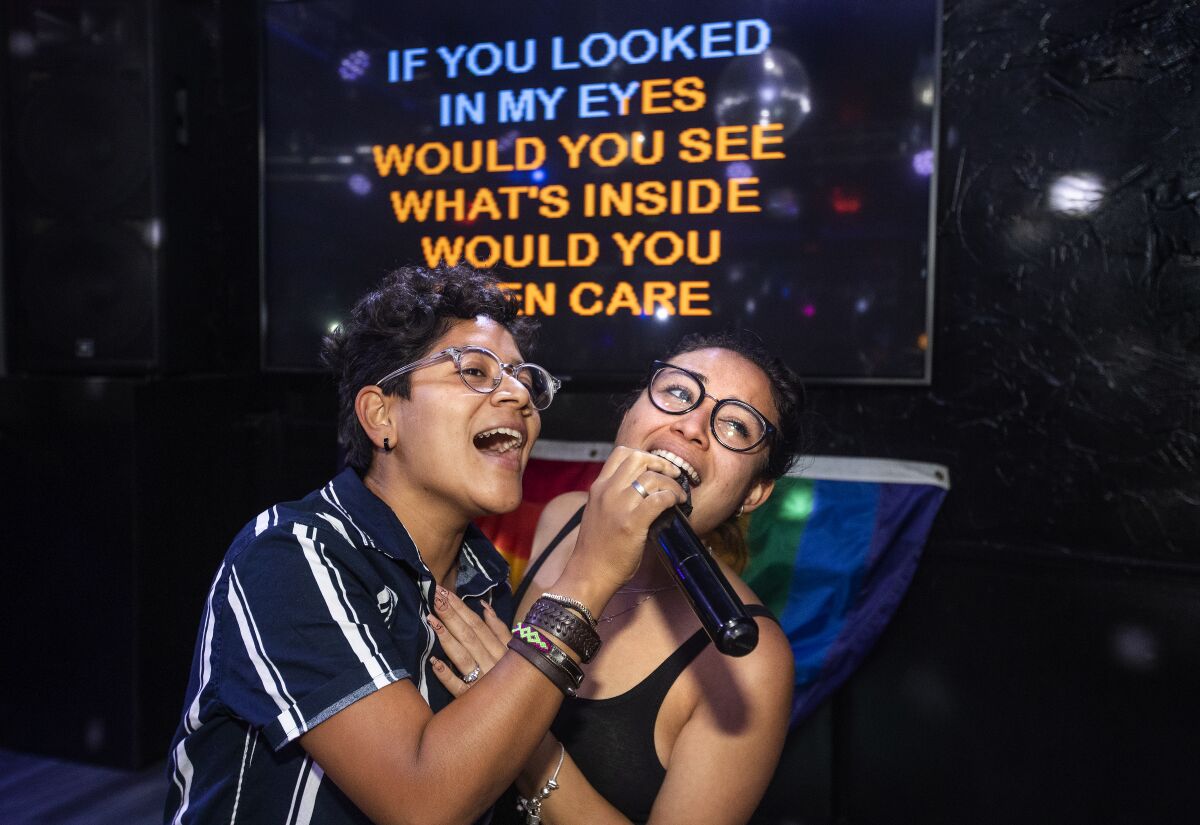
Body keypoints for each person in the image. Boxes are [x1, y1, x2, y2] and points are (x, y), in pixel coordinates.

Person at [164, 264, 689, 825]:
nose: (518, 395)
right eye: (475, 371)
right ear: (381, 414)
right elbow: (424, 801)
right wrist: (588, 576)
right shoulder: (291, 554)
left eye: (523, 377)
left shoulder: (483, 577)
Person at [430, 331, 805, 825]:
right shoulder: (563, 517)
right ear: (629, 416)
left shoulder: (750, 662)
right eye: (677, 392)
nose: (693, 426)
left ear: (754, 493)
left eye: (735, 425)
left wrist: (521, 736)